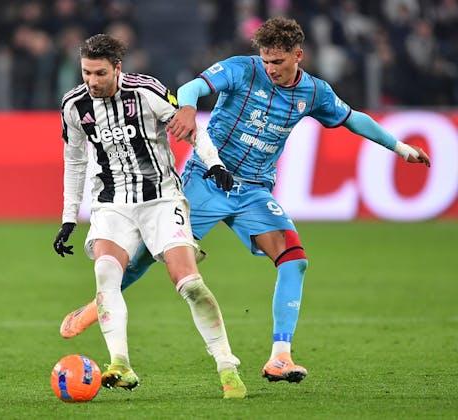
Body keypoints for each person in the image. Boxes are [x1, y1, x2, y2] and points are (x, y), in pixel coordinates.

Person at [59, 18, 431, 384]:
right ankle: (99, 303)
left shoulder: (314, 92)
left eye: (278, 62)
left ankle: (280, 356)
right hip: (206, 179)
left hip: (253, 191)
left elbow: (352, 118)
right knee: (146, 258)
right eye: (266, 60)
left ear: (298, 55)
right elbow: (191, 87)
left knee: (295, 260)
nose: (270, 69)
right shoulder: (241, 69)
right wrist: (187, 108)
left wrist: (400, 148)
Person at [53, 34, 246, 399]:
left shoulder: (147, 92)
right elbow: (74, 160)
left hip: (161, 198)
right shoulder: (74, 105)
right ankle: (120, 364)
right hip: (112, 203)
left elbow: (191, 129)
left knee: (190, 284)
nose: (92, 81)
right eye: (86, 73)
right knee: (106, 275)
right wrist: (68, 218)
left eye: (99, 73)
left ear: (117, 69)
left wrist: (214, 163)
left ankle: (227, 367)